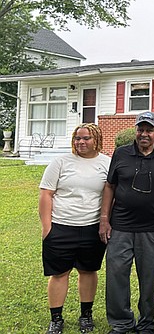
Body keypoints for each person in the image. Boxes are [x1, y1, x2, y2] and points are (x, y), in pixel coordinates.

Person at [99, 111, 154, 334]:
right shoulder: (121, 153)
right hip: (120, 226)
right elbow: (110, 186)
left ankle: (146, 323)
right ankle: (121, 323)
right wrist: (104, 219)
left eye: (149, 129)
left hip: (152, 228)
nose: (144, 134)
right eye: (140, 129)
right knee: (116, 276)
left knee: (149, 278)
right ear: (135, 130)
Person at [39, 123, 110, 334]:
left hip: (91, 228)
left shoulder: (107, 163)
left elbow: (111, 195)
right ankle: (56, 318)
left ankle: (86, 315)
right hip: (61, 226)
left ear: (96, 139)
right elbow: (46, 194)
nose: (80, 142)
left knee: (88, 271)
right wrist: (47, 228)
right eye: (77, 138)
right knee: (59, 273)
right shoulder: (60, 162)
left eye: (86, 138)